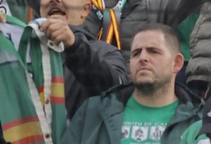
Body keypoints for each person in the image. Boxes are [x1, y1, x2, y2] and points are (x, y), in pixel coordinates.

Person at [62, 24, 202, 144]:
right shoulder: (92, 112)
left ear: (176, 63)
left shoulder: (201, 119)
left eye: (153, 52)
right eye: (136, 53)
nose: (142, 58)